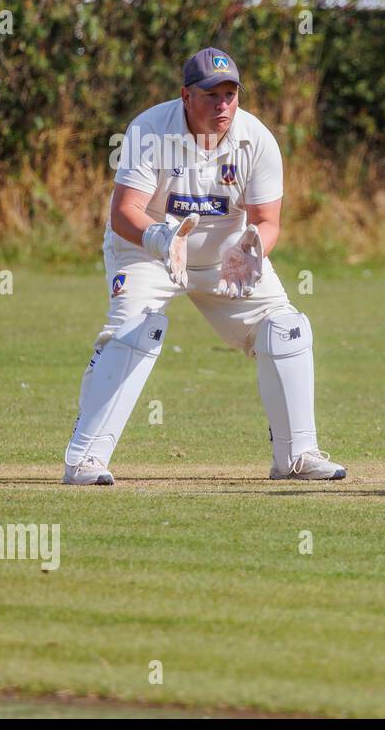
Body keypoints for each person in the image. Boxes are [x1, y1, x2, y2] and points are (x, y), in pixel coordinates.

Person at [62, 48, 345, 485]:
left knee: (286, 327)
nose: (223, 105)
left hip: (225, 260)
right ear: (186, 96)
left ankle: (297, 456)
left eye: (230, 94)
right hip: (148, 251)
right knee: (136, 331)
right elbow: (124, 213)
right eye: (211, 95)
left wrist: (254, 249)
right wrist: (160, 239)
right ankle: (84, 460)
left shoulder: (258, 138)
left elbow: (268, 221)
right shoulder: (148, 130)